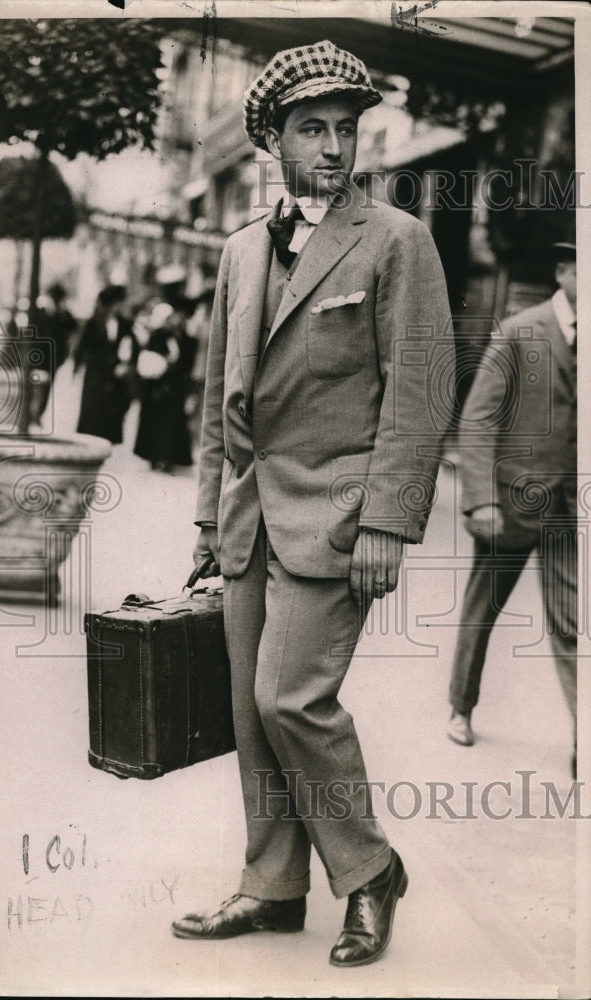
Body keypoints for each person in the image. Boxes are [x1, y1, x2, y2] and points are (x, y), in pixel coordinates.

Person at [172, 40, 452, 967]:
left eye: (345, 130)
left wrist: (387, 520)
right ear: (272, 141)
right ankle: (271, 886)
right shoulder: (240, 250)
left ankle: (370, 870)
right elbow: (222, 396)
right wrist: (211, 521)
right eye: (312, 131)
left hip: (337, 515)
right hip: (252, 517)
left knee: (292, 698)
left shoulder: (397, 240)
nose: (333, 149)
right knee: (250, 713)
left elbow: (419, 390)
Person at [447, 242, 577, 765]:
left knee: (572, 619)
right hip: (510, 503)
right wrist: (480, 500)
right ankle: (460, 705)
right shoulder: (520, 331)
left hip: (570, 508)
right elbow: (478, 417)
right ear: (564, 270)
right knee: (483, 610)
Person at [133, 297, 198, 471]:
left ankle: (167, 457)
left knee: (169, 424)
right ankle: (156, 456)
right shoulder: (158, 336)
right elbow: (152, 364)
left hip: (172, 387)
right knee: (157, 423)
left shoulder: (174, 336)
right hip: (158, 387)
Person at [73, 284, 139, 444]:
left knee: (111, 416)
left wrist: (127, 364)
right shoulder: (94, 322)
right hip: (96, 375)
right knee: (93, 413)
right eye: (118, 303)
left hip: (116, 377)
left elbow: (134, 347)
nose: (121, 307)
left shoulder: (124, 324)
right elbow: (83, 349)